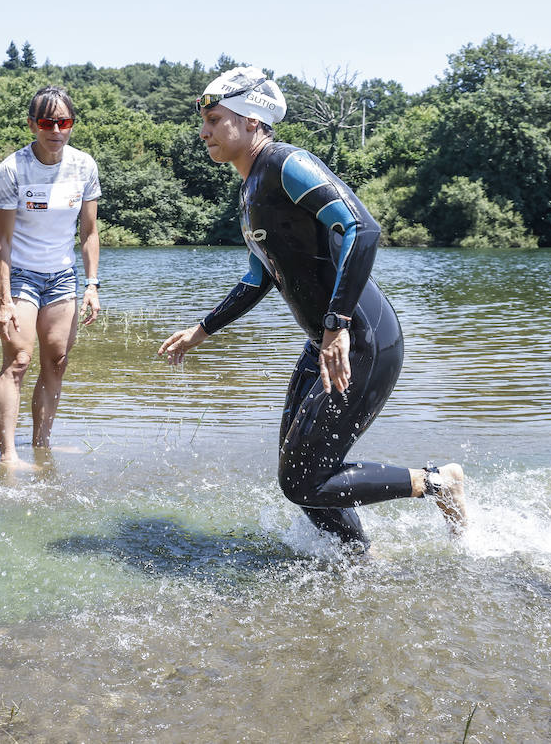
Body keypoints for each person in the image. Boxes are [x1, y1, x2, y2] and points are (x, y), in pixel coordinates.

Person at [158, 67, 466, 551]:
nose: (204, 132)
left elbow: (362, 229)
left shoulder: (286, 163)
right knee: (300, 474)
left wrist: (337, 323)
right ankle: (354, 561)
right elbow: (260, 277)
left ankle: (437, 482)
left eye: (215, 119)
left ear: (252, 120)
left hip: (361, 339)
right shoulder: (250, 189)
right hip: (325, 341)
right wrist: (203, 328)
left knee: (304, 479)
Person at [0, 85, 101, 467]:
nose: (56, 130)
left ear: (72, 125)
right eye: (46, 122)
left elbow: (89, 233)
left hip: (62, 276)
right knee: (19, 360)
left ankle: (42, 445)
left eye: (64, 122)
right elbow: (2, 241)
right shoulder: (12, 169)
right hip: (20, 273)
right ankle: (8, 455)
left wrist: (92, 286)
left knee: (56, 361)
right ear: (32, 124)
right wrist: (4, 300)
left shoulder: (84, 166)